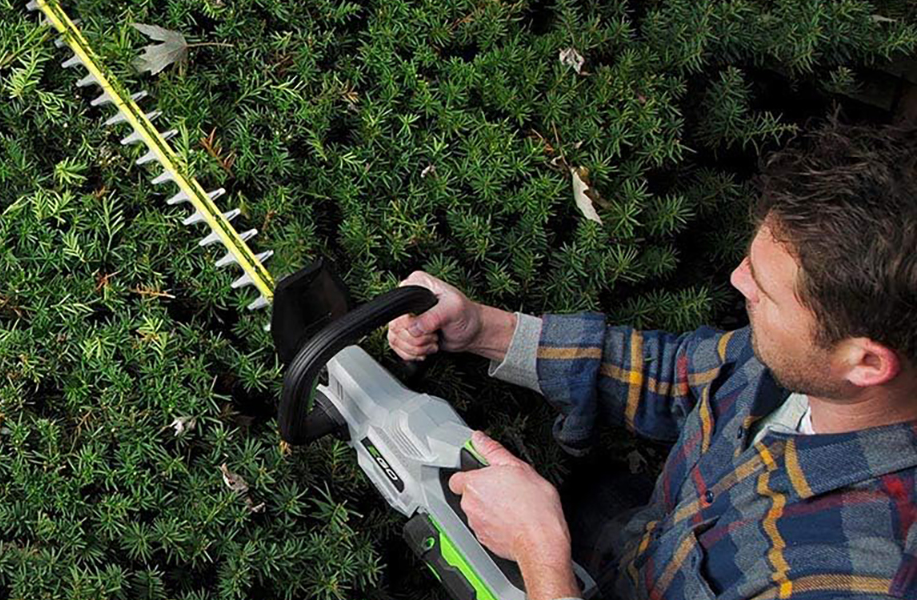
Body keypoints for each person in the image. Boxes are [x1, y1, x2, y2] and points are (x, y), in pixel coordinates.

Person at [386, 118, 917, 600]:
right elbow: (681, 375)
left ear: (867, 364)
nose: (738, 281)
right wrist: (488, 329)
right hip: (638, 541)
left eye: (767, 290)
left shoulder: (860, 573)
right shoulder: (813, 361)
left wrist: (540, 552)